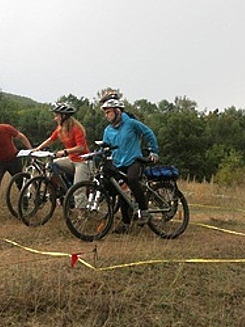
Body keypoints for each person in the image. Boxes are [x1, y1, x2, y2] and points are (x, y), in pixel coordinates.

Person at [100, 96, 159, 233]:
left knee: (132, 179)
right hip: (118, 163)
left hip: (134, 161)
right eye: (106, 113)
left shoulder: (131, 124)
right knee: (120, 191)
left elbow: (148, 133)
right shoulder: (108, 130)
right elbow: (104, 147)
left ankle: (144, 211)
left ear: (117, 111)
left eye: (109, 112)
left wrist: (154, 151)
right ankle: (126, 224)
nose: (107, 115)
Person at [33, 102, 90, 193]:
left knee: (78, 191)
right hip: (71, 159)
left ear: (64, 116)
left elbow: (81, 147)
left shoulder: (76, 129)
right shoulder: (60, 128)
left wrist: (65, 152)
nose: (55, 118)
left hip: (82, 161)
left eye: (57, 116)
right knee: (51, 166)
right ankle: (64, 188)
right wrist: (38, 148)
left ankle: (81, 205)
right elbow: (51, 139)